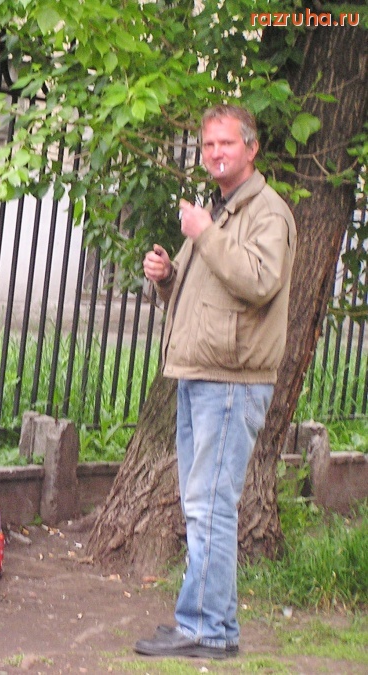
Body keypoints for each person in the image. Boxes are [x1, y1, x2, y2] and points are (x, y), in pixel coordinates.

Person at [135, 104, 297, 659]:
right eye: (207, 146)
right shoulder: (221, 211)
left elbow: (257, 281)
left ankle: (203, 629)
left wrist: (204, 234)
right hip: (199, 372)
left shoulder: (265, 213)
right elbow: (204, 293)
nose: (215, 154)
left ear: (252, 148)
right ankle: (213, 628)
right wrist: (166, 278)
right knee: (201, 502)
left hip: (232, 380)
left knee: (210, 505)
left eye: (226, 144)